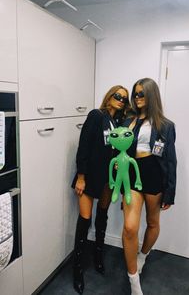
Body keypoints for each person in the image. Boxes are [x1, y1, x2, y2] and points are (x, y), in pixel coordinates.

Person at [71, 85, 131, 294]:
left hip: (107, 179)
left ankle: (97, 256)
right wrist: (80, 177)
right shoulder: (96, 115)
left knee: (102, 216)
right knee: (85, 220)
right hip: (89, 177)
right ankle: (77, 269)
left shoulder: (119, 122)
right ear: (109, 96)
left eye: (124, 98)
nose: (121, 100)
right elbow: (84, 145)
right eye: (118, 96)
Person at [122, 78, 177, 295]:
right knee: (129, 228)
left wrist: (170, 192)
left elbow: (171, 160)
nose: (137, 98)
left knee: (152, 223)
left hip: (154, 176)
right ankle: (134, 281)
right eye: (135, 94)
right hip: (133, 173)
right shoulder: (129, 121)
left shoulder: (166, 125)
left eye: (141, 94)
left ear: (151, 95)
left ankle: (143, 255)